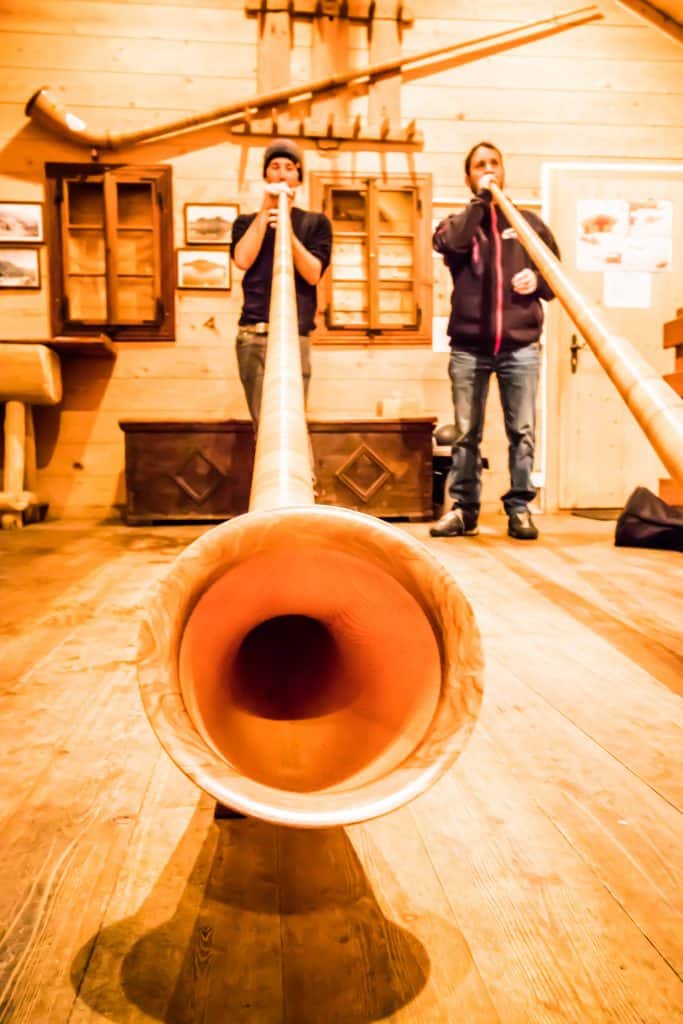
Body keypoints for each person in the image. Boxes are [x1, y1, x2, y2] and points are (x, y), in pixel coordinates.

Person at [430, 141, 560, 541]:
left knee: (522, 431)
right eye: (479, 166)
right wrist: (478, 203)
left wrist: (536, 281)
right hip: (469, 349)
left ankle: (519, 508)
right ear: (469, 176)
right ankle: (464, 510)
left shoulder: (529, 224)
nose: (488, 169)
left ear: (505, 170)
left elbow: (556, 280)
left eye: (494, 164)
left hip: (520, 348)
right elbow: (449, 245)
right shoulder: (457, 224)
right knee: (466, 433)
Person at [230, 138, 332, 428]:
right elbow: (242, 259)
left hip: (295, 335)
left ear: (298, 178)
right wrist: (266, 210)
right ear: (265, 176)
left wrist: (286, 227)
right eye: (274, 167)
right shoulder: (245, 222)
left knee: (293, 424)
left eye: (290, 167)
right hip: (254, 334)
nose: (282, 174)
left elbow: (313, 273)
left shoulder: (316, 223)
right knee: (264, 426)